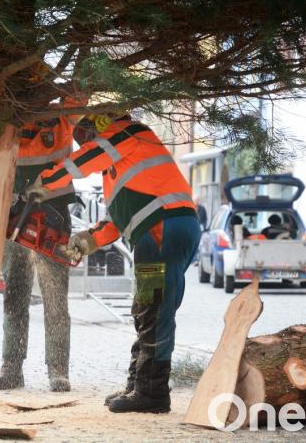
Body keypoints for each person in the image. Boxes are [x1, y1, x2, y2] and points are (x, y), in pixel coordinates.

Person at [26, 113, 200, 413]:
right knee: (150, 307)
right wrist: (86, 241)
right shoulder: (124, 165)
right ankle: (141, 384)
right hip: (168, 230)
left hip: (161, 230)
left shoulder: (128, 132)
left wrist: (46, 181)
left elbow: (81, 161)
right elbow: (115, 222)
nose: (85, 143)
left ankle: (152, 392)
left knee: (153, 310)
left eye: (85, 137)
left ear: (98, 128)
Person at [0, 98, 83, 393]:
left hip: (52, 218)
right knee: (14, 297)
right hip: (15, 217)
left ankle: (58, 371)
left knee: (56, 301)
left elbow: (80, 91)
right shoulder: (8, 118)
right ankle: (11, 368)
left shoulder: (62, 116)